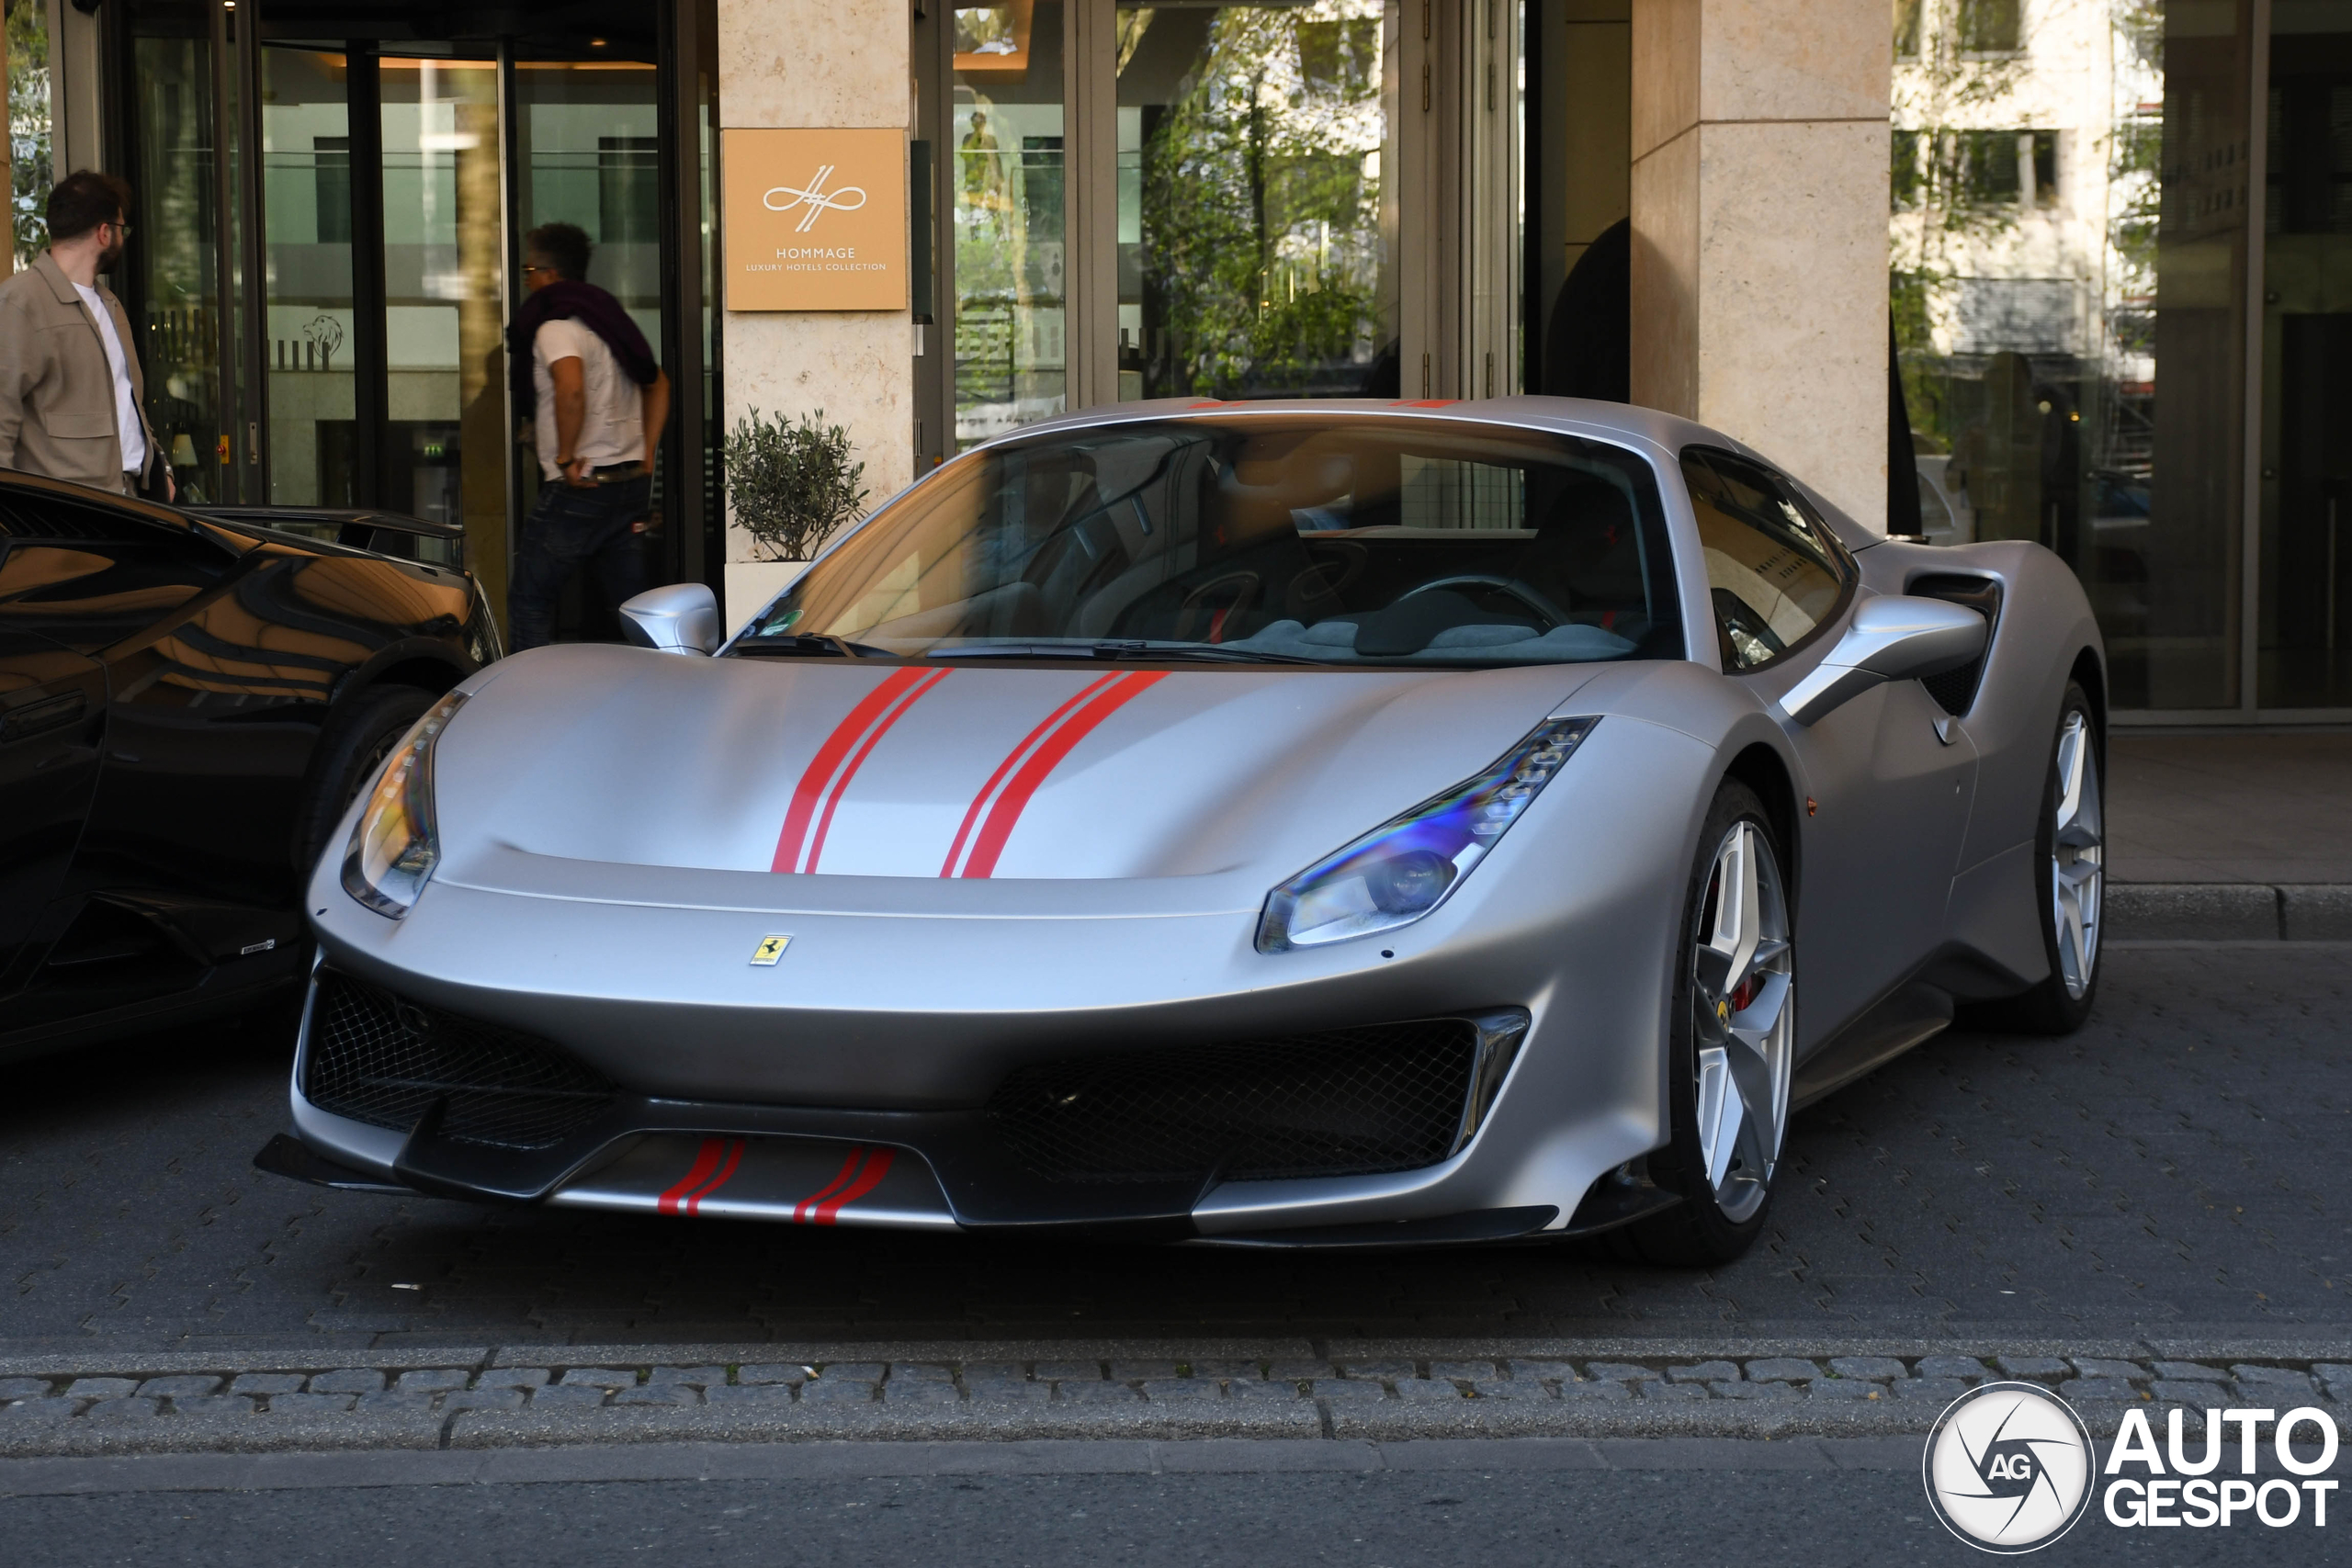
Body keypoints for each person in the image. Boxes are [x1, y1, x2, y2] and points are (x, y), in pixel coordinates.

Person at [503, 221, 671, 652]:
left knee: (530, 600)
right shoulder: (611, 329)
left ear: (550, 275)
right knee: (635, 613)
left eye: (528, 269)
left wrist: (564, 457)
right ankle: (663, 693)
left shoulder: (555, 328)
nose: (525, 280)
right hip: (628, 488)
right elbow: (659, 383)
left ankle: (531, 702)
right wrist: (647, 453)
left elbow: (571, 388)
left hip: (580, 488)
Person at [0, 170, 172, 500]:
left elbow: (128, 403)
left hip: (131, 504)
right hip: (67, 521)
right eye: (123, 229)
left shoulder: (110, 305)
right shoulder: (20, 303)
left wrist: (161, 467)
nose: (123, 238)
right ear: (105, 233)